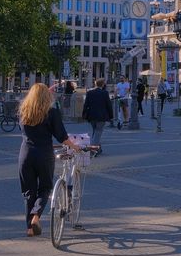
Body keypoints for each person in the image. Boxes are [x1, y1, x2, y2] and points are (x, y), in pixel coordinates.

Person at [18, 83, 81, 237]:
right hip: (44, 153)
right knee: (45, 188)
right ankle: (36, 217)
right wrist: (75, 147)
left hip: (25, 154)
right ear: (47, 96)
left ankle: (30, 228)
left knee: (28, 191)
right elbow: (61, 135)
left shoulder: (23, 111)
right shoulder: (51, 112)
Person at [81, 78, 113, 155]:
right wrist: (111, 116)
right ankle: (92, 150)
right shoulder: (104, 93)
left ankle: (98, 149)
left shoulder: (90, 93)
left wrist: (84, 114)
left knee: (95, 132)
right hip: (101, 116)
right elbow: (108, 105)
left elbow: (86, 105)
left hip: (91, 116)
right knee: (98, 132)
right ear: (102, 84)